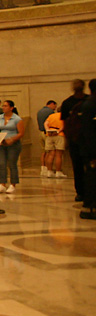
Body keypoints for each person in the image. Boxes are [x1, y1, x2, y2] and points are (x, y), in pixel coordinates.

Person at [61, 79, 89, 201]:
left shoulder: (89, 101)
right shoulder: (67, 103)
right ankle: (80, 192)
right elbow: (65, 122)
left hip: (89, 140)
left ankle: (90, 191)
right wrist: (67, 138)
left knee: (90, 167)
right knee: (77, 167)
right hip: (75, 140)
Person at [0, 100, 25, 194]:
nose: (3, 107)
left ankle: (13, 184)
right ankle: (2, 184)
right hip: (2, 144)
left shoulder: (17, 119)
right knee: (1, 164)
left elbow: (21, 133)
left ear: (11, 108)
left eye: (6, 106)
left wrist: (12, 139)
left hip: (13, 144)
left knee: (12, 164)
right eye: (3, 106)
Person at [77, 79, 96, 220]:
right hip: (91, 150)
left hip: (89, 148)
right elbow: (88, 131)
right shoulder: (90, 104)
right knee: (91, 177)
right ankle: (89, 207)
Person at [44, 106, 67, 179]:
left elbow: (45, 123)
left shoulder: (51, 115)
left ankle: (49, 171)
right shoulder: (63, 116)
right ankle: (58, 172)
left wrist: (48, 130)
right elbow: (64, 125)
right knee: (58, 155)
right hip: (59, 135)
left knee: (50, 154)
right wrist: (58, 131)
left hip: (49, 135)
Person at [36, 100, 57, 177]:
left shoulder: (39, 111)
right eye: (55, 106)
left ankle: (43, 168)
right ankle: (49, 169)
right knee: (49, 152)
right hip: (47, 133)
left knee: (43, 151)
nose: (55, 108)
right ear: (51, 104)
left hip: (40, 132)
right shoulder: (50, 112)